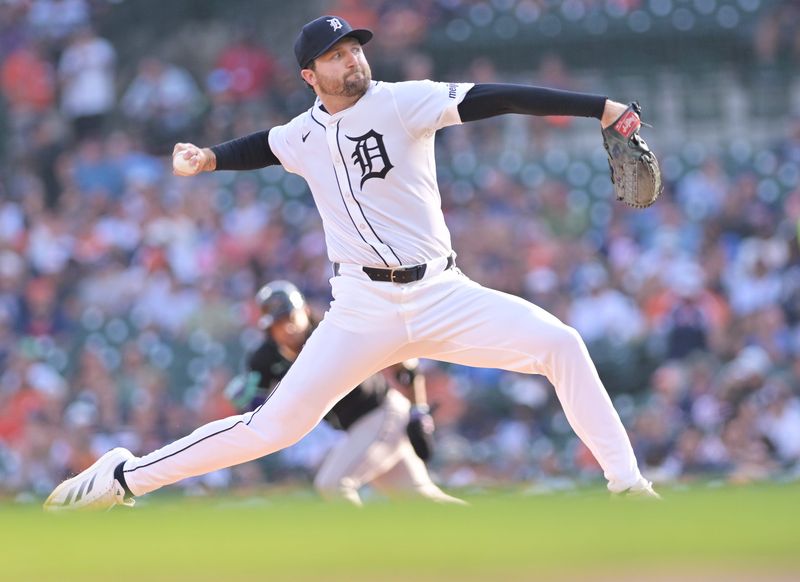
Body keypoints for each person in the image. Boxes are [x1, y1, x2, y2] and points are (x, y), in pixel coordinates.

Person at [45, 14, 659, 511]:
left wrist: (599, 107)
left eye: (356, 49)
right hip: (362, 309)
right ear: (310, 74)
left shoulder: (402, 102)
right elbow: (262, 145)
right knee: (272, 428)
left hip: (444, 293)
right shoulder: (302, 133)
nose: (354, 59)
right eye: (337, 55)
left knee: (562, 344)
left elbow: (496, 98)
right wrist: (206, 157)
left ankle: (628, 486)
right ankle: (122, 478)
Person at [224, 279, 464, 505]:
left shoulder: (332, 330)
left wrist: (418, 409)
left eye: (289, 316)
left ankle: (364, 549)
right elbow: (256, 408)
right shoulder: (264, 357)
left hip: (380, 413)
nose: (286, 326)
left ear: (305, 311)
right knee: (420, 499)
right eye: (277, 321)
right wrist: (247, 403)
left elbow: (405, 363)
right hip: (358, 428)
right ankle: (487, 527)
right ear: (268, 327)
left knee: (333, 485)